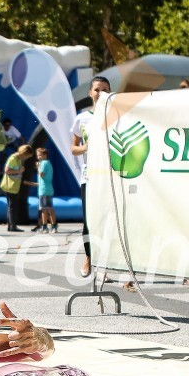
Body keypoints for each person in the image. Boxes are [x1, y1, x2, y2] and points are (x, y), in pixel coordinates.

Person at [71, 76, 110, 277]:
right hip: (89, 176)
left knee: (108, 219)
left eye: (105, 89)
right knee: (89, 220)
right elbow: (74, 148)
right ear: (90, 93)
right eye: (97, 89)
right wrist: (87, 147)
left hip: (110, 176)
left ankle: (106, 263)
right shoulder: (82, 119)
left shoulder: (116, 117)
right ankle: (89, 258)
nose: (101, 93)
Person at [0, 144, 34, 232]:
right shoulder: (13, 158)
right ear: (24, 153)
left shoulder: (19, 159)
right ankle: (13, 226)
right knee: (12, 206)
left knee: (11, 206)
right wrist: (19, 171)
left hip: (14, 185)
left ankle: (10, 225)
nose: (27, 158)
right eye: (27, 156)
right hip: (10, 186)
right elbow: (7, 170)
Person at [35, 147, 57, 233]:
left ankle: (46, 227)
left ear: (45, 155)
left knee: (44, 209)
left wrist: (38, 167)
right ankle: (52, 226)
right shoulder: (48, 163)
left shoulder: (43, 163)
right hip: (47, 189)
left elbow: (42, 174)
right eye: (37, 155)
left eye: (40, 155)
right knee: (49, 208)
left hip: (44, 190)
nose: (38, 157)